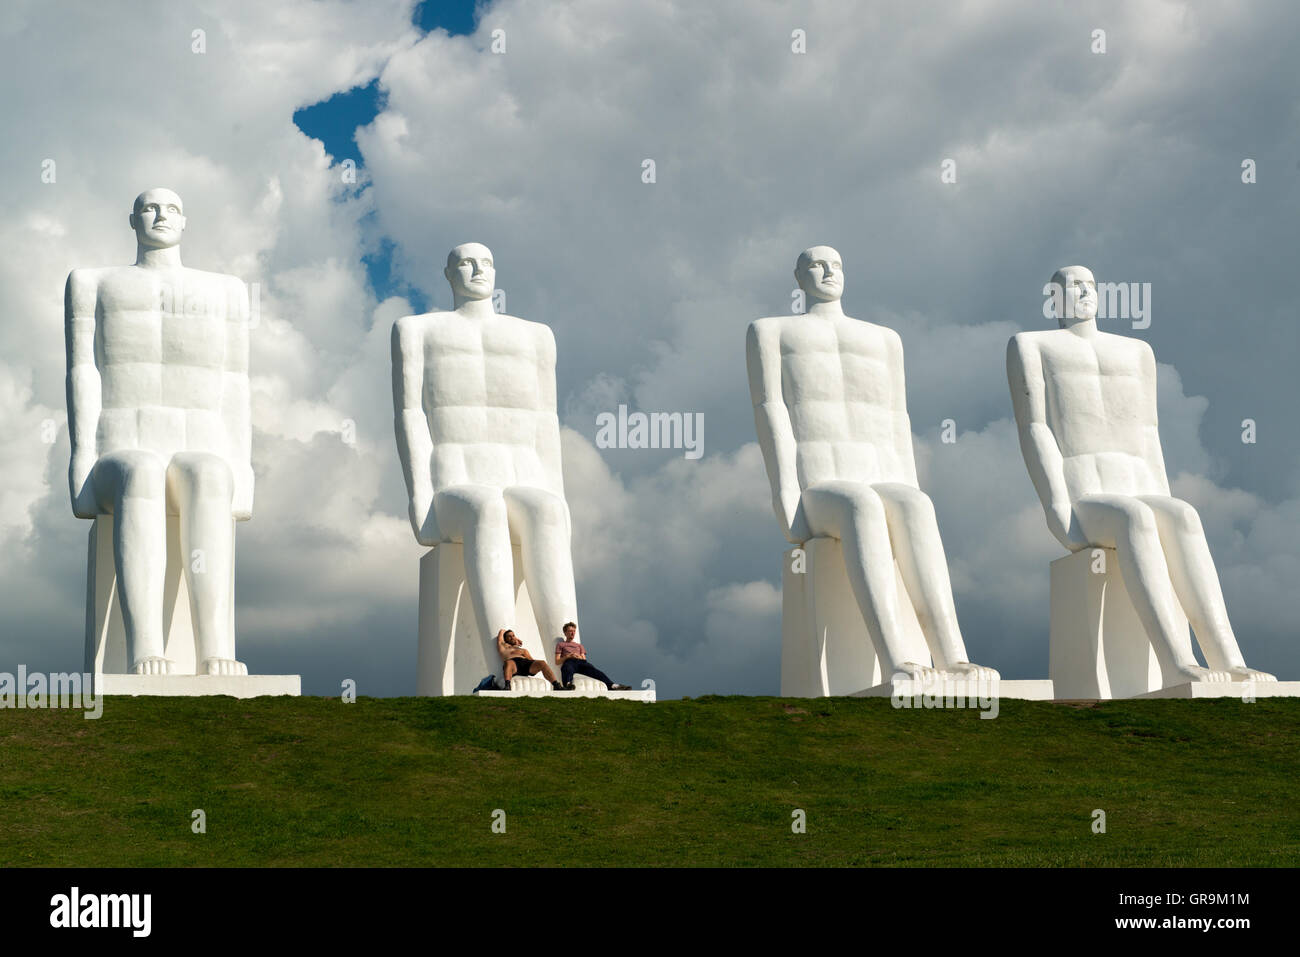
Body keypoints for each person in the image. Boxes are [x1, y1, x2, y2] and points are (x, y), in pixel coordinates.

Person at [1006, 265, 1274, 684]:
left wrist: (1163, 497)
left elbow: (1149, 432)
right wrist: (1055, 503)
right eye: (1072, 285)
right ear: (1054, 298)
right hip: (1086, 493)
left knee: (1183, 514)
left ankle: (1228, 658)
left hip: (1138, 484)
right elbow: (1034, 428)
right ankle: (1176, 663)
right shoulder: (1031, 345)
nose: (1084, 291)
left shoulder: (1137, 352)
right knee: (1133, 517)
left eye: (1090, 284)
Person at [746, 246, 997, 684]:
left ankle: (952, 654)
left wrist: (912, 486)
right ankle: (895, 656)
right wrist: (785, 494)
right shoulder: (772, 332)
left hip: (881, 473)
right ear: (799, 277)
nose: (828, 272)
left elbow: (899, 419)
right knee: (860, 504)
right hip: (820, 484)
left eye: (836, 265)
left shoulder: (884, 339)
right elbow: (772, 412)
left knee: (916, 507)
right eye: (816, 266)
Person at [554, 622, 631, 690]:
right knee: (567, 668)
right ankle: (568, 685)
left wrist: (578, 657)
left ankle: (613, 686)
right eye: (570, 631)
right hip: (569, 661)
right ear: (565, 633)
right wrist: (568, 656)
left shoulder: (579, 646)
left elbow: (584, 658)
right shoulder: (561, 645)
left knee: (596, 671)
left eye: (574, 631)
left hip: (581, 662)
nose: (573, 633)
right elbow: (557, 661)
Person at [497, 629, 563, 690]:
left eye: (513, 635)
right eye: (509, 636)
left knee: (542, 663)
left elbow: (532, 661)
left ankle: (556, 685)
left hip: (525, 664)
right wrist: (516, 639)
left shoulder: (523, 650)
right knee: (508, 662)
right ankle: (507, 686)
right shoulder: (503, 647)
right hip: (513, 664)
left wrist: (515, 640)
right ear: (505, 639)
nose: (512, 637)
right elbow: (501, 631)